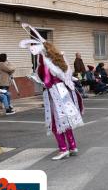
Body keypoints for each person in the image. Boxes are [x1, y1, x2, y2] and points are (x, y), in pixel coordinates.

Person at [19, 24, 84, 160]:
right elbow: (67, 75)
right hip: (64, 91)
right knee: (66, 120)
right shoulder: (60, 60)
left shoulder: (47, 63)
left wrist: (37, 78)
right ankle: (72, 146)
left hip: (54, 93)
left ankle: (63, 149)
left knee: (55, 122)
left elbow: (46, 80)